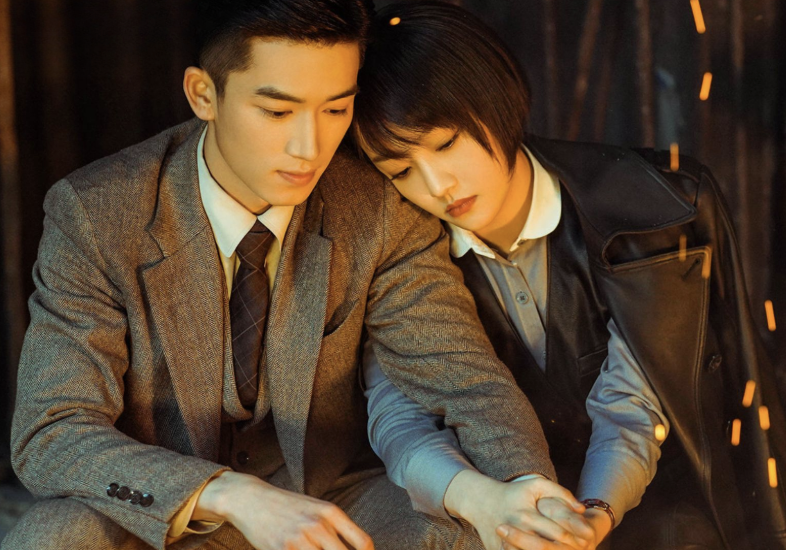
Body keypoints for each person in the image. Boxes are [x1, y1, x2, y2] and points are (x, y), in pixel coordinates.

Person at [3, 1, 595, 549]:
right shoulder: (98, 213)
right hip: (163, 511)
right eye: (278, 111)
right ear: (203, 94)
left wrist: (525, 491)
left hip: (333, 501)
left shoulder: (378, 206)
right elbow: (51, 430)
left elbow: (462, 379)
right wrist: (229, 495)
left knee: (469, 533)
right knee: (55, 536)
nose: (309, 147)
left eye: (336, 109)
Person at [352, 3, 786, 550]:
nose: (438, 185)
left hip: (658, 512)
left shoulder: (654, 205)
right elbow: (398, 416)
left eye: (446, 143)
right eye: (400, 170)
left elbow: (635, 405)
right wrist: (483, 501)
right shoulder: (394, 251)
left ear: (497, 97)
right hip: (496, 521)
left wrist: (590, 518)